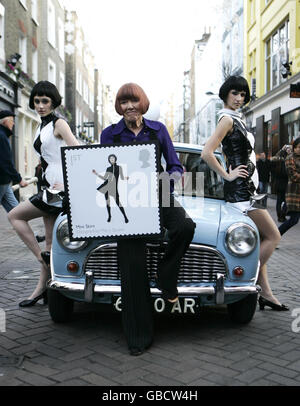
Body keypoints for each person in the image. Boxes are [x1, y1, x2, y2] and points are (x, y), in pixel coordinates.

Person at [100, 83, 195, 355]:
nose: (129, 106)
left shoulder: (158, 130)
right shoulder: (110, 134)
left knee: (185, 226)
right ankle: (138, 337)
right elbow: (103, 165)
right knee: (132, 268)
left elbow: (175, 166)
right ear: (119, 107)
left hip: (159, 193)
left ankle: (166, 275)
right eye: (124, 102)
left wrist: (168, 180)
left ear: (143, 103)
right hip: (127, 203)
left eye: (134, 101)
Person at [201, 75, 288, 312]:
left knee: (259, 239)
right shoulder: (227, 119)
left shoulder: (236, 118)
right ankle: (242, 276)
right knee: (273, 236)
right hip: (242, 193)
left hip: (249, 190)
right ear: (226, 94)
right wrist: (227, 175)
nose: (239, 99)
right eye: (235, 94)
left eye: (242, 95)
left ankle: (267, 294)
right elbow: (207, 152)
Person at [8, 81, 79, 307]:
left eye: (45, 101)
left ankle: (43, 260)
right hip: (49, 187)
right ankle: (42, 289)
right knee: (49, 241)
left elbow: (77, 151)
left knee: (15, 216)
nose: (40, 105)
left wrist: (66, 179)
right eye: (37, 101)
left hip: (59, 190)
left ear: (53, 102)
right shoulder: (42, 125)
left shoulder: (59, 123)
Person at [0, 110, 28, 212]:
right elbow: (6, 163)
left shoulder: (3, 135)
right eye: (12, 120)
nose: (14, 123)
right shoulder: (2, 137)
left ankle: (21, 226)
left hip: (5, 181)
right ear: (5, 121)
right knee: (17, 212)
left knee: (17, 212)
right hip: (2, 181)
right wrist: (19, 179)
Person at [92, 154, 129, 223]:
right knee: (108, 202)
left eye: (113, 158)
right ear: (109, 160)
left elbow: (121, 177)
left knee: (118, 203)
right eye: (110, 159)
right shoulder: (108, 168)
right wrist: (96, 174)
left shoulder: (119, 167)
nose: (112, 159)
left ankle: (125, 217)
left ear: (115, 159)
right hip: (106, 186)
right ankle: (109, 216)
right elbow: (105, 178)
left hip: (114, 187)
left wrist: (126, 178)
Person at [278, 138, 300, 236]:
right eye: (298, 147)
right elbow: (293, 176)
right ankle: (275, 236)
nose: (299, 149)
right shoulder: (290, 158)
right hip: (294, 194)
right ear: (294, 148)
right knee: (293, 220)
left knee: (294, 220)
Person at [270, 145, 290, 222]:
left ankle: (280, 216)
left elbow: (272, 168)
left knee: (279, 200)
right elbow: (286, 173)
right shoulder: (286, 161)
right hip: (285, 184)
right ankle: (282, 215)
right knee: (285, 200)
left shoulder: (277, 161)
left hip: (278, 184)